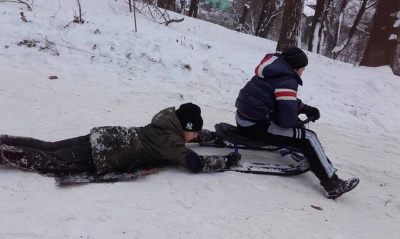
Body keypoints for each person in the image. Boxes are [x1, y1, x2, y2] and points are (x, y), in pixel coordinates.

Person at [234, 46, 359, 199]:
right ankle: (332, 184)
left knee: (299, 132)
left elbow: (282, 100)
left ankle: (312, 159)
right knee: (308, 137)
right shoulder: (287, 80)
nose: (302, 72)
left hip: (243, 118)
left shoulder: (273, 71)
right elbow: (286, 119)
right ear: (295, 67)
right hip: (255, 125)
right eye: (303, 69)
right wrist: (297, 125)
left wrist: (305, 108)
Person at [0, 103, 240, 180]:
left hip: (105, 136)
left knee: (49, 146)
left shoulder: (166, 123)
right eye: (195, 133)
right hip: (103, 153)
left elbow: (192, 134)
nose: (196, 137)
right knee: (48, 161)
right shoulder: (171, 143)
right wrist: (226, 162)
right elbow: (195, 163)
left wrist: (216, 137)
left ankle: (5, 141)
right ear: (185, 128)